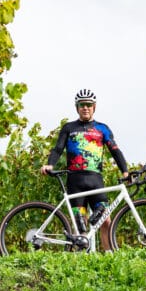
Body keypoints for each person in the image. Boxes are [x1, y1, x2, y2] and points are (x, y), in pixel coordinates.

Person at [40, 89, 129, 251]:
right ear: (77, 107)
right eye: (82, 105)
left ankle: (109, 257)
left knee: (105, 221)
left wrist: (125, 171)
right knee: (79, 225)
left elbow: (115, 150)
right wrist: (50, 164)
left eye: (88, 105)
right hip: (75, 181)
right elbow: (58, 148)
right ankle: (80, 262)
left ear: (94, 107)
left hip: (96, 181)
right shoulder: (69, 128)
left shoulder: (103, 129)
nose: (85, 108)